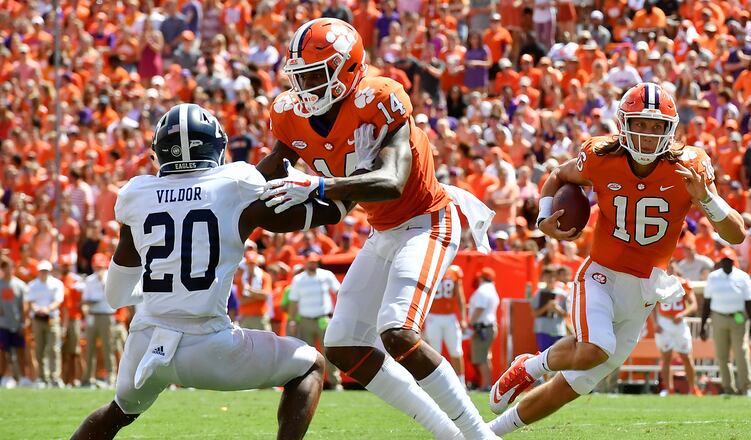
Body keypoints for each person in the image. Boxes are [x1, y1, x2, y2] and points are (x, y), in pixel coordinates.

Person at [257, 18, 495, 439]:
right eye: (300, 77)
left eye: (316, 75)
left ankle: (479, 436)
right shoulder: (289, 115)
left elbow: (392, 182)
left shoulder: (378, 98)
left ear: (347, 70)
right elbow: (270, 176)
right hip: (382, 231)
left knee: (398, 331)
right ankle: (447, 433)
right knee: (344, 344)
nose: (306, 88)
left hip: (427, 221)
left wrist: (320, 184)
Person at [71, 103, 352, 440]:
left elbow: (116, 295)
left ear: (158, 152)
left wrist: (163, 282)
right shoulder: (236, 182)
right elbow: (278, 187)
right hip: (211, 346)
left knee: (118, 412)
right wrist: (348, 193)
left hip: (146, 342)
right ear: (217, 147)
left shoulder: (135, 193)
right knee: (310, 365)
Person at [486, 82, 746, 435]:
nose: (648, 134)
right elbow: (558, 175)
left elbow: (736, 233)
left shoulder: (690, 167)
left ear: (670, 131)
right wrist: (544, 216)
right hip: (600, 277)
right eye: (640, 123)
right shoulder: (600, 156)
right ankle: (530, 367)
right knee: (594, 349)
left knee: (571, 387)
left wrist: (707, 199)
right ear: (624, 123)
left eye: (657, 127)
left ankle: (489, 432)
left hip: (644, 292)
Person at [701, 248, 751, 396]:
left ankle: (746, 387)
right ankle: (728, 388)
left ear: (733, 261)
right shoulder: (713, 277)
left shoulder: (743, 277)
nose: (726, 263)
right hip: (718, 317)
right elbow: (707, 302)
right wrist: (703, 325)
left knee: (741, 352)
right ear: (720, 261)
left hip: (738, 317)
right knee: (722, 354)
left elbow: (749, 303)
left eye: (729, 260)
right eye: (724, 260)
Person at [287, 252, 343, 390]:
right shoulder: (298, 279)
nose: (313, 264)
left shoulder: (326, 275)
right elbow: (293, 302)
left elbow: (339, 291)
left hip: (324, 318)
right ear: (305, 262)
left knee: (329, 352)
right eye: (310, 262)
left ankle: (336, 383)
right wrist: (292, 321)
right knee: (308, 355)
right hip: (305, 320)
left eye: (315, 261)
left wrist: (340, 313)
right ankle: (310, 384)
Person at [654, 263, 703, 397]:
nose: (670, 270)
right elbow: (652, 305)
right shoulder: (659, 283)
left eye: (672, 268)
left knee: (686, 356)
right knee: (666, 357)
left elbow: (693, 305)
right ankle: (668, 389)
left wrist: (682, 314)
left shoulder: (684, 284)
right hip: (664, 321)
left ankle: (694, 388)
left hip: (679, 323)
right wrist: (655, 322)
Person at [423, 264, 468, 387]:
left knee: (456, 351)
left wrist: (463, 318)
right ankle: (437, 384)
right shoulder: (430, 268)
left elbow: (460, 297)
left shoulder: (454, 271)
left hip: (449, 317)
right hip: (433, 316)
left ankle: (461, 383)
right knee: (434, 353)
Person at [26, 260, 65, 388]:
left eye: (46, 271)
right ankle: (43, 377)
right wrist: (38, 309)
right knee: (39, 349)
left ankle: (54, 376)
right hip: (37, 319)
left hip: (51, 318)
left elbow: (58, 300)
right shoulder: (33, 285)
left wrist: (47, 309)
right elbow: (30, 302)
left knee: (54, 348)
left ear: (50, 271)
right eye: (42, 271)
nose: (44, 273)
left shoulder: (56, 284)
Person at [81, 253, 117, 388]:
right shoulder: (90, 280)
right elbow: (84, 299)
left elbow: (113, 297)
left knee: (108, 346)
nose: (99, 270)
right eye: (97, 267)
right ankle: (88, 378)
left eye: (101, 267)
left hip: (106, 315)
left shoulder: (110, 278)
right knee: (90, 347)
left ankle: (111, 376)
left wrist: (103, 284)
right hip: (93, 314)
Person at [468, 267, 500, 391]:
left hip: (483, 327)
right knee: (485, 357)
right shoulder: (491, 289)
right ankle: (487, 384)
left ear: (482, 278)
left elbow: (480, 308)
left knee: (481, 358)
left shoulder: (483, 290)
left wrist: (471, 322)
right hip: (488, 326)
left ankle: (486, 385)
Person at [0, 256, 27, 388]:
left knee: (20, 351)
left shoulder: (20, 285)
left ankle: (22, 377)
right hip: (3, 324)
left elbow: (24, 306)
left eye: (9, 267)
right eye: (5, 268)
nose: (7, 270)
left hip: (16, 323)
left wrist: (23, 323)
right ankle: (5, 376)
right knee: (3, 352)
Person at [531, 265, 568, 353]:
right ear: (543, 278)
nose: (550, 279)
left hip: (559, 331)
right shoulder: (538, 293)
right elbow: (534, 314)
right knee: (544, 357)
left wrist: (557, 309)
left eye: (552, 276)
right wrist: (546, 307)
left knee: (559, 358)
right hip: (543, 331)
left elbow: (566, 314)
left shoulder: (562, 294)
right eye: (547, 277)